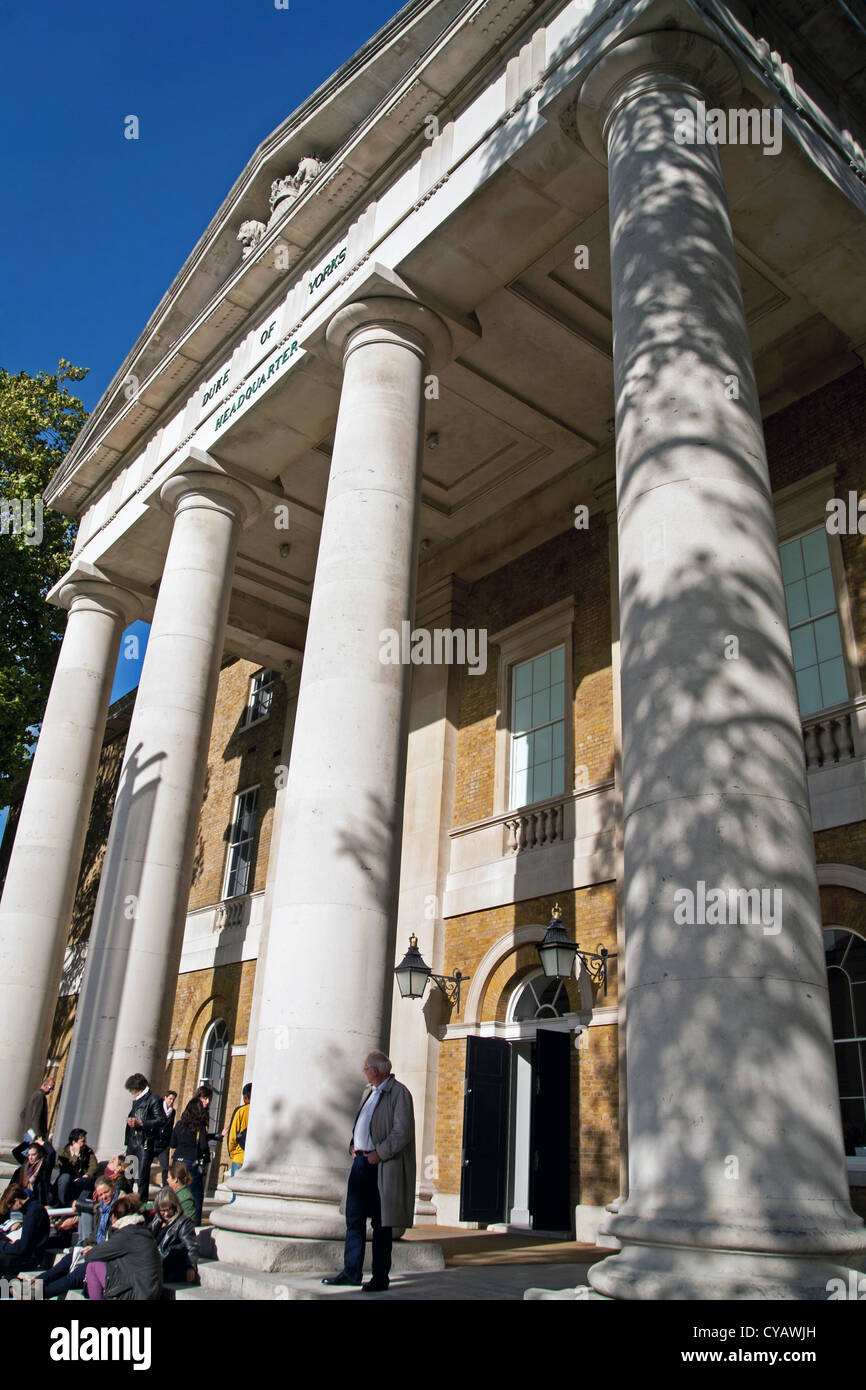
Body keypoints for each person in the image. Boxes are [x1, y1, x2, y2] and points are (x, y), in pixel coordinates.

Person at [322, 1051, 416, 1293]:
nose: (364, 1071)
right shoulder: (369, 1092)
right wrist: (353, 1144)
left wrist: (380, 1153)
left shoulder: (399, 1093)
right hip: (361, 1163)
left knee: (381, 1223)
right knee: (353, 1219)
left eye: (366, 1068)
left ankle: (379, 1277)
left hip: (380, 1166)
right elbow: (362, 1124)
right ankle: (351, 1272)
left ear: (376, 1070)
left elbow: (402, 1132)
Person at [33, 1177, 119, 1300]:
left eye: (106, 1192)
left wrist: (94, 1249)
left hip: (105, 1257)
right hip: (94, 1250)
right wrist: (82, 1246)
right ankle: (33, 1284)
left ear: (113, 1188)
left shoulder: (120, 1209)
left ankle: (39, 1294)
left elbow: (114, 1243)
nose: (104, 1197)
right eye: (100, 1195)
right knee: (66, 1261)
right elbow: (94, 1236)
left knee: (75, 1276)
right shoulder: (101, 1209)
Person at [82, 1193, 162, 1301]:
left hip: (135, 1294)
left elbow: (91, 1256)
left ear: (116, 1216)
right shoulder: (142, 1231)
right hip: (147, 1292)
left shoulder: (126, 1234)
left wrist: (94, 1248)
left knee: (92, 1266)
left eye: (112, 1216)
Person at [171, 1086, 218, 1224]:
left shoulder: (179, 1124)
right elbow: (203, 1145)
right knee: (195, 1195)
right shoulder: (200, 1125)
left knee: (177, 1193)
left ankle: (174, 1221)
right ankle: (193, 1224)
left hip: (177, 1160)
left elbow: (173, 1143)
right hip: (192, 1162)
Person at [123, 1073, 164, 1205]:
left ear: (138, 1087)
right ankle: (127, 1204)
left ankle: (141, 1205)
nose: (131, 1092)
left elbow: (160, 1120)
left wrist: (141, 1123)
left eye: (132, 1089)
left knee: (142, 1178)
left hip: (144, 1144)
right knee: (128, 1176)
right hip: (132, 1143)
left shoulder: (153, 1099)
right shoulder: (137, 1100)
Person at [148, 1187, 199, 1285]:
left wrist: (190, 1266)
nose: (166, 1214)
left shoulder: (183, 1222)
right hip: (153, 1263)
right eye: (162, 1210)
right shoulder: (157, 1220)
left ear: (175, 1206)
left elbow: (191, 1246)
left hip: (168, 1264)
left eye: (168, 1209)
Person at [0, 1184, 50, 1277]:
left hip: (30, 1259)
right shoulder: (34, 1208)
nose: (11, 1210)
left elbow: (23, 1248)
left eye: (10, 1207)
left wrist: (3, 1246)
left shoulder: (32, 1212)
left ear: (17, 1201)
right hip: (29, 1253)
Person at [11, 1137, 57, 1208]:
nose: (30, 1157)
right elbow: (15, 1152)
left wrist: (42, 1143)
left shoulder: (44, 1165)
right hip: (23, 1196)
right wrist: (28, 1143)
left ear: (40, 1154)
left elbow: (52, 1152)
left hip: (37, 1198)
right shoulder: (26, 1164)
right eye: (29, 1155)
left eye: (33, 1154)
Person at [224, 1082, 251, 1200]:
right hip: (253, 1159)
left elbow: (232, 1136)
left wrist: (233, 1153)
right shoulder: (260, 1111)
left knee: (236, 1196)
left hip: (239, 1157)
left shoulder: (240, 1111)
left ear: (245, 1097)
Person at [56, 1129, 97, 1206]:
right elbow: (66, 1168)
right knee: (65, 1178)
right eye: (82, 1141)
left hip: (81, 1181)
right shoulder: (63, 1152)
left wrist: (87, 1175)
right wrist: (75, 1155)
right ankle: (63, 1204)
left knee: (90, 1183)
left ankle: (79, 1206)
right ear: (74, 1142)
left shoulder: (88, 1151)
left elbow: (94, 1166)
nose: (85, 1144)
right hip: (69, 1182)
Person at [21, 1077, 54, 1142]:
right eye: (51, 1088)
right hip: (34, 1136)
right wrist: (38, 1136)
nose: (51, 1091)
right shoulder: (40, 1096)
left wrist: (27, 1127)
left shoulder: (34, 1095)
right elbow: (36, 1117)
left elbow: (22, 1114)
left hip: (28, 1134)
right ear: (45, 1085)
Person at [156, 1090, 177, 1188]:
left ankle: (165, 1187)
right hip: (154, 1141)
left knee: (165, 1167)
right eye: (170, 1099)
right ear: (165, 1098)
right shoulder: (158, 1108)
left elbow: (170, 1127)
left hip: (164, 1144)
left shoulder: (173, 1112)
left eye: (173, 1099)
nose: (171, 1101)